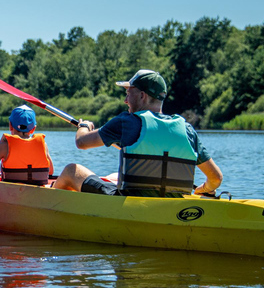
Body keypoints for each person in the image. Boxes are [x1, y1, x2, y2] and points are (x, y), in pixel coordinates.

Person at [52, 69, 223, 197]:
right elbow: (216, 178)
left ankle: (51, 206)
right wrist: (202, 190)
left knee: (70, 170)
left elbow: (82, 143)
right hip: (174, 205)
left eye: (128, 94)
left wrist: (83, 126)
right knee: (114, 176)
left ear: (142, 96)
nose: (126, 100)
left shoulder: (126, 122)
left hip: (128, 204)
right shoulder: (187, 130)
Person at [0, 105, 54, 185]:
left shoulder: (3, 147)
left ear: (10, 125)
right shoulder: (43, 145)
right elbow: (50, 172)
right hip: (37, 192)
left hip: (12, 192)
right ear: (33, 129)